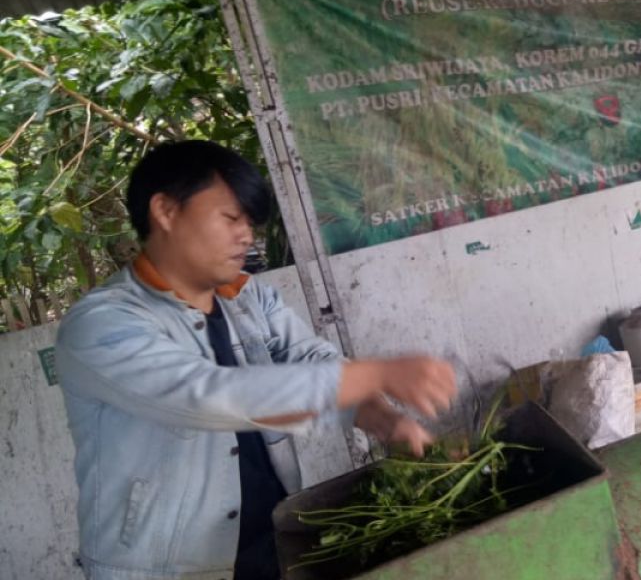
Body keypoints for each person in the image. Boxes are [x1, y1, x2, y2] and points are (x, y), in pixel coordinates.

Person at [56, 140, 458, 580]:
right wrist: (379, 373)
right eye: (230, 218)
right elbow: (209, 397)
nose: (246, 235)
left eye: (249, 222)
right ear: (166, 212)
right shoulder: (102, 325)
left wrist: (384, 420)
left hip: (271, 542)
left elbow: (311, 361)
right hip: (166, 567)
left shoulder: (248, 298)